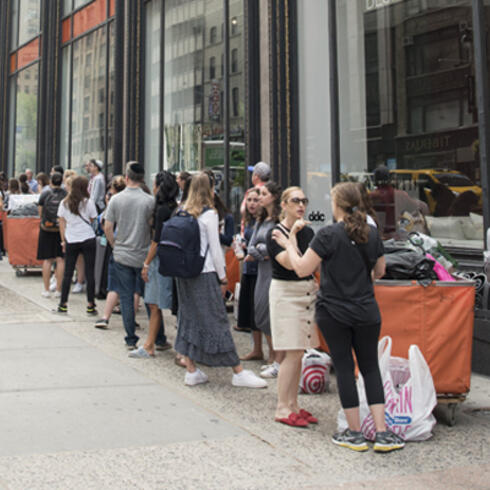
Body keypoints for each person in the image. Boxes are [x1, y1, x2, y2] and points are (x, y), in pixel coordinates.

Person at [272, 181, 405, 452]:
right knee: (370, 368)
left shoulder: (328, 235)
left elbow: (302, 269)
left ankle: (354, 433)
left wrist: (289, 243)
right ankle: (382, 432)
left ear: (337, 205)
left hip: (334, 311)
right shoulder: (371, 233)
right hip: (366, 309)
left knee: (344, 368)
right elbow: (380, 271)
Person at [174, 172, 267, 389]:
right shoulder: (209, 214)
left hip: (184, 272)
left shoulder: (182, 211)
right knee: (217, 319)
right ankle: (237, 370)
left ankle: (191, 369)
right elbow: (215, 249)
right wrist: (223, 276)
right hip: (205, 271)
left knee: (188, 317)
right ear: (210, 188)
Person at [266, 186, 318, 428]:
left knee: (300, 351)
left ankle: (293, 403)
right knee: (291, 351)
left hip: (306, 292)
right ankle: (282, 406)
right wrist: (291, 238)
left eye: (304, 201)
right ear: (284, 204)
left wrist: (292, 239)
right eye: (296, 200)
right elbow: (291, 264)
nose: (301, 205)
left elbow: (308, 264)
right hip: (286, 294)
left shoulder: (307, 232)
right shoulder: (275, 233)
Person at [104, 162, 154, 349]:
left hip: (122, 254)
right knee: (149, 297)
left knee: (125, 296)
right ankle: (157, 336)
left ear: (126, 178)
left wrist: (114, 245)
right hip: (143, 254)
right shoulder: (149, 201)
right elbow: (152, 226)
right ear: (142, 178)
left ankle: (131, 338)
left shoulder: (116, 200)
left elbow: (108, 227)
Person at [128, 171, 178, 358]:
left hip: (160, 261)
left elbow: (156, 240)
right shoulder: (174, 207)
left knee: (154, 302)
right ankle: (152, 343)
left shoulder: (161, 210)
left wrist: (146, 263)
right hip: (173, 259)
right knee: (160, 303)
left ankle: (149, 345)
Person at [246, 181, 283, 377]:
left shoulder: (278, 221)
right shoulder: (261, 220)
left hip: (273, 271)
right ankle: (272, 355)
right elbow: (252, 246)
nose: (259, 198)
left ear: (273, 197)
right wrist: (261, 251)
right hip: (262, 271)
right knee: (261, 312)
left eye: (263, 194)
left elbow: (273, 248)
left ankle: (276, 358)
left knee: (271, 313)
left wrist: (259, 251)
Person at [57, 176, 98, 314]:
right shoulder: (88, 202)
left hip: (71, 239)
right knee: (90, 272)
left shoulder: (64, 203)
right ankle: (91, 305)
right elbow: (93, 219)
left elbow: (62, 223)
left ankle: (63, 304)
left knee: (68, 273)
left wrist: (63, 240)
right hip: (88, 238)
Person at [235, 188, 264, 360]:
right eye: (250, 200)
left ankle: (272, 354)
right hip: (248, 268)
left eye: (256, 200)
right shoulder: (249, 221)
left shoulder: (264, 222)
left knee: (260, 311)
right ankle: (257, 349)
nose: (252, 204)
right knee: (251, 310)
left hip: (260, 270)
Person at [37, 172, 66, 298]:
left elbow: (40, 212)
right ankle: (59, 290)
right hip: (61, 229)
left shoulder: (45, 193)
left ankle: (46, 289)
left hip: (46, 228)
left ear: (50, 181)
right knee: (60, 259)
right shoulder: (65, 194)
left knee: (47, 260)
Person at [240, 162, 271, 232]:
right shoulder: (270, 191)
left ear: (256, 176)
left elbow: (243, 210)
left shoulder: (251, 192)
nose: (252, 203)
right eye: (249, 200)